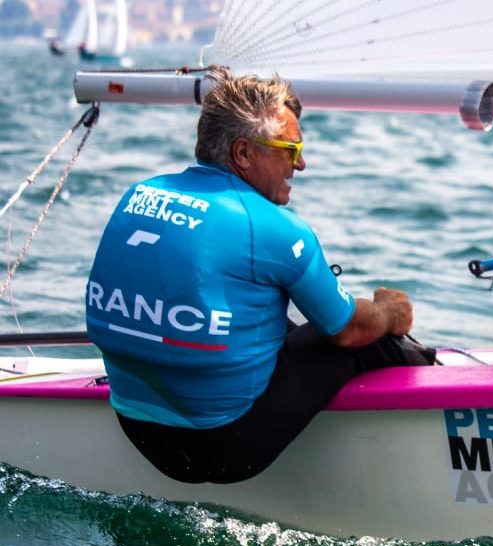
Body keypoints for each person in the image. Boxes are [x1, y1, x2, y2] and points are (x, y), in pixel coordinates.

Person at [85, 67, 433, 484]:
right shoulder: (273, 227)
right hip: (224, 446)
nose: (301, 164)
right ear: (244, 153)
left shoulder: (140, 194)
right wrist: (388, 312)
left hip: (138, 431)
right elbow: (346, 331)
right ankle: (435, 380)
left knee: (266, 314)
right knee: (364, 336)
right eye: (291, 147)